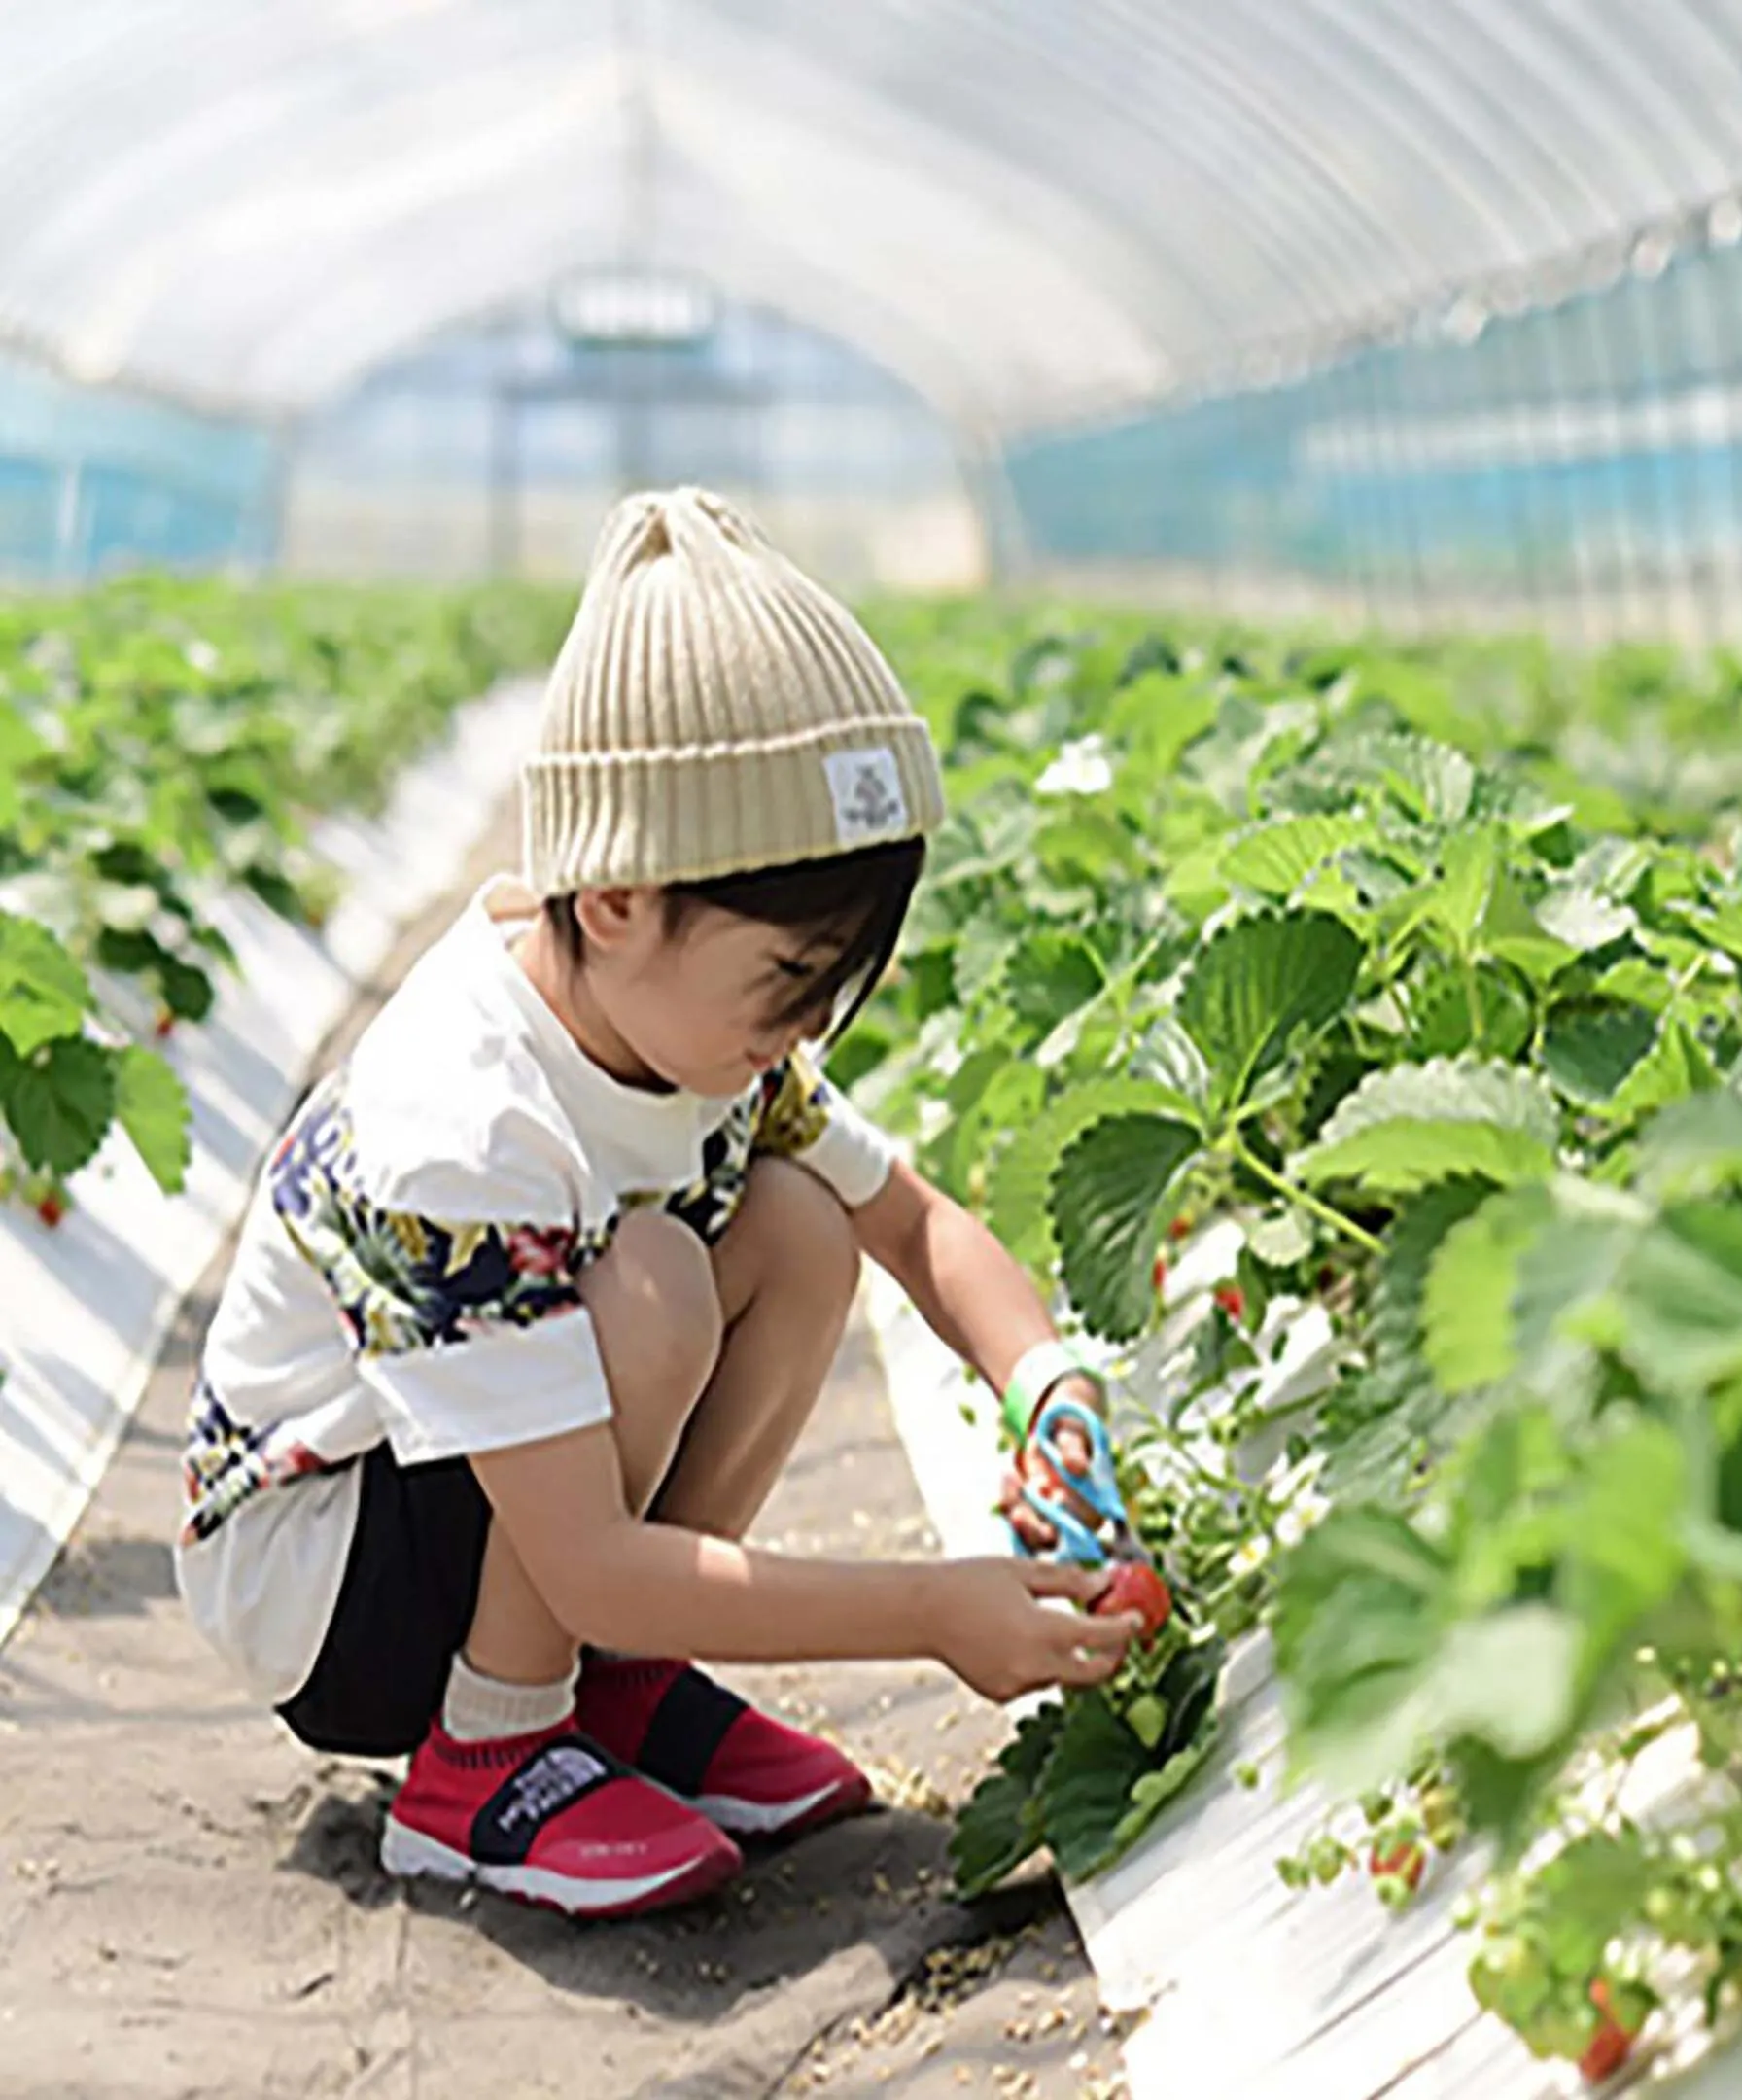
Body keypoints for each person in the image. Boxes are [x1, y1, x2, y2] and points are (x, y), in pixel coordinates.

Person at [172, 487, 1138, 1921]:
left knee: (798, 1226)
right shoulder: (467, 1121)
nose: (809, 1029)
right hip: (326, 1578)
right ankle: (487, 1761)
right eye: (790, 978)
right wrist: (930, 1609)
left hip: (494, 1505)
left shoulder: (701, 1040)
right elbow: (591, 1562)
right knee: (657, 1284)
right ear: (617, 898)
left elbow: (916, 1228)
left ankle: (613, 1699)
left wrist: (1047, 1386)